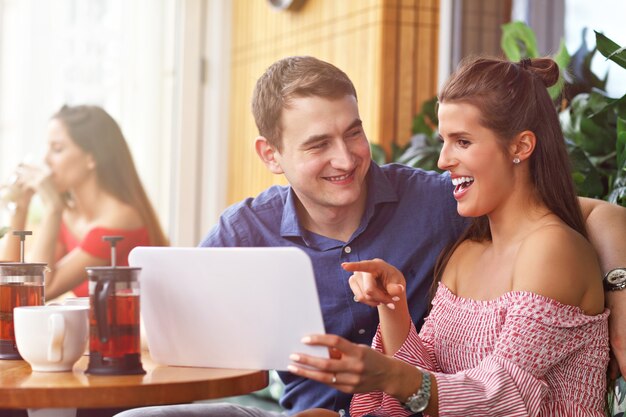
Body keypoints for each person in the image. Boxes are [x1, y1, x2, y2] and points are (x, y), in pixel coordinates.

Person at [114, 56, 626, 417]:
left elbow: (592, 217)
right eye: (319, 144)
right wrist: (395, 311)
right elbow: (161, 324)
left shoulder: (442, 203)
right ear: (271, 156)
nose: (346, 157)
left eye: (353, 132)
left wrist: (619, 301)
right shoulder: (245, 230)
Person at [287, 56, 610, 416]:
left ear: (521, 147)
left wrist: (390, 375)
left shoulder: (552, 250)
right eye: (444, 141)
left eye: (463, 142)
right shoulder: (466, 252)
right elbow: (423, 389)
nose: (442, 160)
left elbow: (500, 396)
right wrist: (393, 306)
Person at [0, 104, 168, 300]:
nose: (45, 160)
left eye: (57, 149)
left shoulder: (121, 218)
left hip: (134, 329)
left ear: (91, 158)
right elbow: (11, 284)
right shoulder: (70, 217)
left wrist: (53, 207)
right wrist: (20, 208)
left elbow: (36, 291)